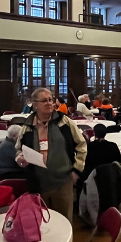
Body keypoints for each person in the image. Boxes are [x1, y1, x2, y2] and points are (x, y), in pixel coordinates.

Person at [15, 88, 87, 222]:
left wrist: (77, 169)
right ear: (35, 105)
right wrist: (20, 158)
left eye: (50, 100)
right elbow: (19, 149)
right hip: (38, 182)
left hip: (63, 181)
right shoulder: (27, 126)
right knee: (43, 222)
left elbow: (81, 145)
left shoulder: (65, 122)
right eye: (44, 101)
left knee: (64, 221)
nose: (49, 103)